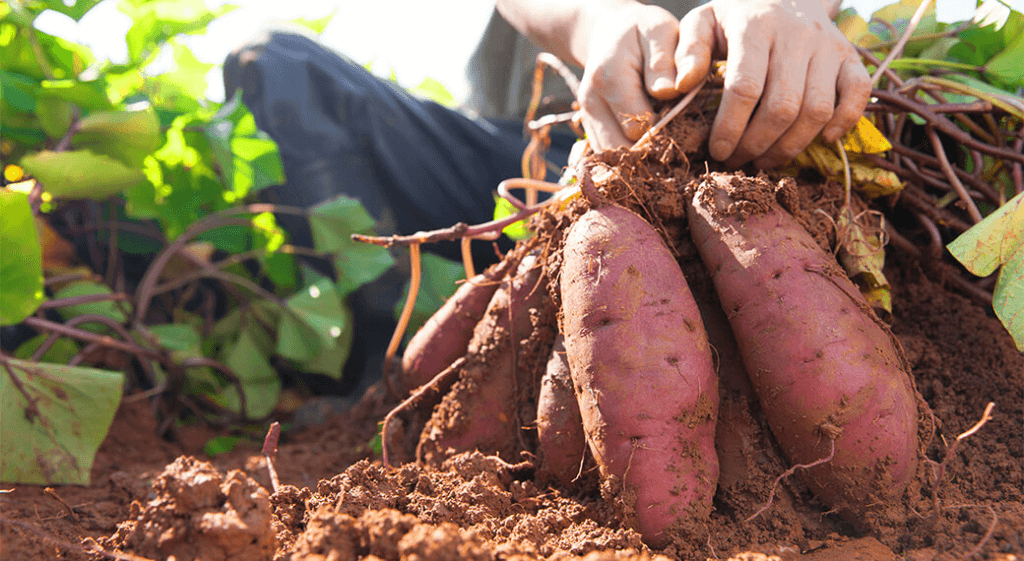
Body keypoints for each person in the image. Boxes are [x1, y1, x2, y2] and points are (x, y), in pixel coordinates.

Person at [223, 0, 870, 399]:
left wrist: (791, 12)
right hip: (534, 164)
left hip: (744, 154)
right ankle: (387, 375)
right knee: (277, 66)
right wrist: (597, 24)